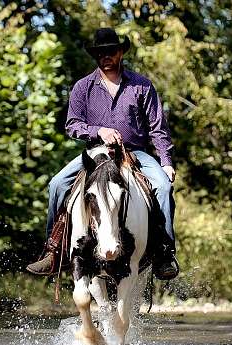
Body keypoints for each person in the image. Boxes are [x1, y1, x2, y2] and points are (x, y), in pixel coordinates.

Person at [26, 28, 178, 280]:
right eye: (100, 52)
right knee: (56, 184)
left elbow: (158, 128)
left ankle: (164, 253)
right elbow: (72, 125)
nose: (106, 56)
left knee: (162, 186)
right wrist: (99, 132)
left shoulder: (142, 85)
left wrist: (166, 161)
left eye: (111, 51)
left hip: (135, 152)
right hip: (96, 153)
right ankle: (54, 252)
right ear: (95, 55)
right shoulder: (82, 87)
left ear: (121, 52)